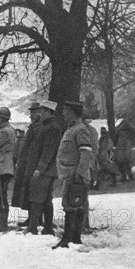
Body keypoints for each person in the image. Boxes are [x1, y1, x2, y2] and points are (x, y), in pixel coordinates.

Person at [53, 101, 93, 249]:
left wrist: (79, 174)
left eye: (65, 110)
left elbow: (86, 153)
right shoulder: (71, 129)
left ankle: (68, 239)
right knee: (73, 205)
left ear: (72, 112)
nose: (63, 113)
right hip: (70, 173)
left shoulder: (80, 129)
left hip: (75, 174)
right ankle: (74, 238)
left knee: (71, 205)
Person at [25, 101, 62, 235]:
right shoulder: (49, 126)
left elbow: (48, 151)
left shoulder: (50, 128)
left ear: (48, 112)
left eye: (41, 111)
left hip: (45, 170)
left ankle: (33, 227)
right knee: (46, 199)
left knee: (36, 198)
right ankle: (47, 228)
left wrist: (39, 168)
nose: (39, 114)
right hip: (48, 169)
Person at [12, 102, 41, 227]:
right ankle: (32, 218)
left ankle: (37, 219)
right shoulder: (33, 127)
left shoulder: (39, 128)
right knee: (28, 192)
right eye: (31, 112)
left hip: (33, 164)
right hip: (26, 164)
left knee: (36, 193)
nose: (32, 115)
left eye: (35, 112)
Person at [83, 116, 100, 190]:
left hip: (91, 153)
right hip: (87, 153)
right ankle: (91, 185)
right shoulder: (84, 130)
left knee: (92, 170)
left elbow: (94, 143)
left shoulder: (91, 131)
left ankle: (94, 185)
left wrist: (94, 153)